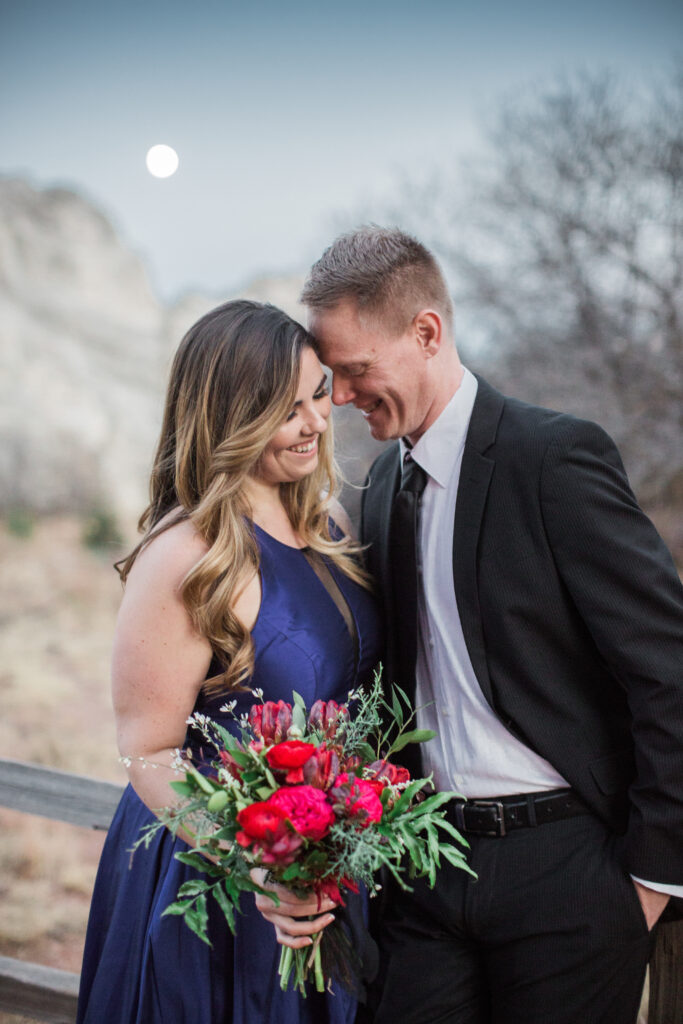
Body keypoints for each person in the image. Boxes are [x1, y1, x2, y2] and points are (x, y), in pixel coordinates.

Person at [301, 227, 683, 1024]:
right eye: (329, 375)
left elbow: (667, 667)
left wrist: (648, 881)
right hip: (426, 874)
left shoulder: (553, 460)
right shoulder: (381, 487)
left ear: (427, 332)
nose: (338, 395)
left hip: (568, 872)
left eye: (354, 370)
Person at [76, 299, 382, 1024]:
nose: (314, 422)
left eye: (316, 394)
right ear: (229, 416)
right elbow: (147, 750)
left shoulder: (326, 523)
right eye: (284, 410)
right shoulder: (188, 555)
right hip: (213, 886)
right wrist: (261, 868)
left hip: (321, 871)